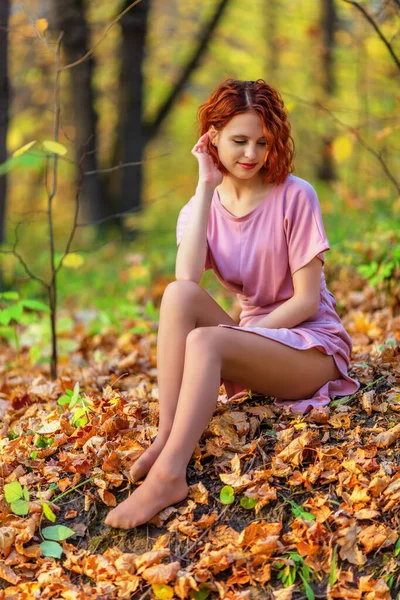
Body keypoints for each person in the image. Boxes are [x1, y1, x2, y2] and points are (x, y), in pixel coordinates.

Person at [105, 78, 360, 529]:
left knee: (208, 342)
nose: (251, 154)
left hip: (309, 348)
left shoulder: (296, 195)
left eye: (262, 142)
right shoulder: (200, 206)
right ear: (213, 137)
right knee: (178, 294)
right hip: (250, 343)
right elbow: (186, 281)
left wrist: (235, 337)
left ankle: (169, 476)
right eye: (238, 141)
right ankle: (167, 436)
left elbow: (304, 302)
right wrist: (206, 185)